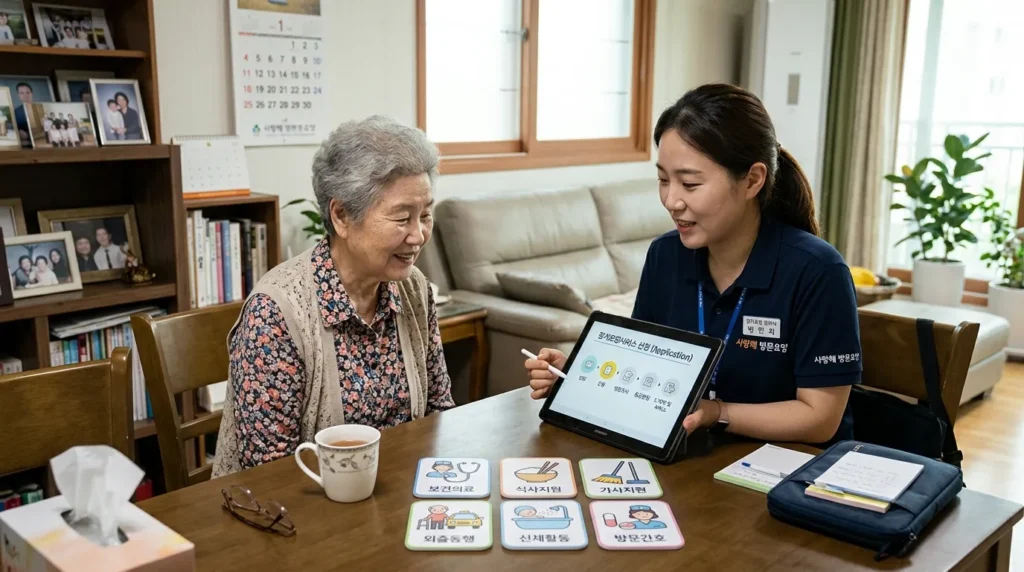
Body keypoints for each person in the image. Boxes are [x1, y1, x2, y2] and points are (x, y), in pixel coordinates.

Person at [525, 84, 861, 445]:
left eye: (689, 183)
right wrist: (577, 376)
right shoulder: (665, 255)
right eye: (663, 180)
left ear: (752, 180)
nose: (671, 200)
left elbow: (820, 418)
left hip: (789, 463)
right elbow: (639, 369)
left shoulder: (817, 270)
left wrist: (717, 412)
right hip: (690, 453)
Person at [212, 116, 455, 477]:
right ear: (341, 216)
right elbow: (269, 474)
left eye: (425, 214)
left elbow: (439, 413)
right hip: (293, 504)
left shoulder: (413, 289)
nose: (418, 235)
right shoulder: (276, 313)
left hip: (397, 490)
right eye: (402, 217)